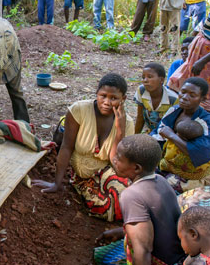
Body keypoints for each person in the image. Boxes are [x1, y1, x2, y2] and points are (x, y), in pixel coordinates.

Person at [93, 134, 187, 265]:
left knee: (101, 255)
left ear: (136, 168)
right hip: (180, 260)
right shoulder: (160, 181)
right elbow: (160, 223)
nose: (114, 159)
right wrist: (122, 231)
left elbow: (142, 251)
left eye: (119, 158)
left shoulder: (131, 195)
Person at [32, 74, 134, 221]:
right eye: (103, 96)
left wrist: (119, 131)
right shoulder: (79, 110)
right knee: (105, 207)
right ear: (96, 93)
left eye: (113, 98)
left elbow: (116, 163)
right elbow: (66, 147)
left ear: (123, 99)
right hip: (81, 176)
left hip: (108, 172)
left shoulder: (127, 123)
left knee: (125, 199)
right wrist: (57, 183)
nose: (106, 102)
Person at [158, 77, 210, 191]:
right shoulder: (174, 110)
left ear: (202, 99)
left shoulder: (207, 121)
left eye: (192, 95)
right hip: (171, 167)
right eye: (183, 92)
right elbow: (160, 131)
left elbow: (203, 152)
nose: (185, 97)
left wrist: (172, 136)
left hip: (197, 175)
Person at [168, 37, 210, 112]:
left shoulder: (207, 67)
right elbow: (170, 89)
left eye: (188, 49)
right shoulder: (177, 65)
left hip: (208, 108)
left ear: (196, 51)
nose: (184, 52)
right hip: (183, 105)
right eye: (182, 50)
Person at [133, 62, 178, 139]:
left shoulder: (173, 99)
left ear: (161, 80)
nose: (145, 80)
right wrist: (134, 138)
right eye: (143, 77)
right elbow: (140, 117)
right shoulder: (141, 90)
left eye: (150, 77)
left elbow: (175, 125)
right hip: (150, 133)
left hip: (167, 137)